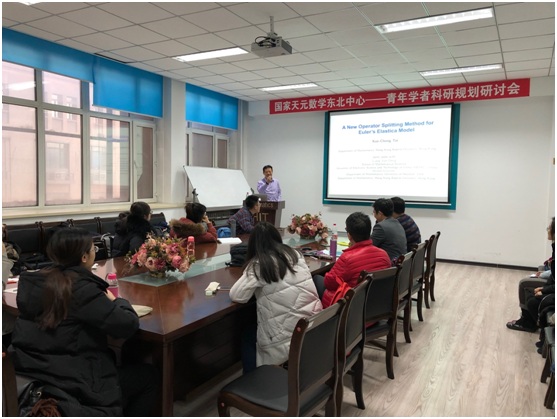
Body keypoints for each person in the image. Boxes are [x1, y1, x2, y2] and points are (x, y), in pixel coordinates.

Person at [8, 228, 158, 416]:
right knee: (149, 377)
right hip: (73, 384)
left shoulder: (34, 282)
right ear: (84, 257)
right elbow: (127, 325)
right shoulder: (82, 289)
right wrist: (117, 300)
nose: (95, 251)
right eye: (93, 248)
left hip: (30, 374)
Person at [229, 222, 322, 373]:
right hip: (314, 326)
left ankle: (254, 379)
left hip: (286, 339)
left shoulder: (259, 264)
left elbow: (237, 295)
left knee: (248, 334)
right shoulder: (295, 255)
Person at [313, 212, 391, 308]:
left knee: (316, 279)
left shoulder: (347, 257)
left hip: (354, 308)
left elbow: (329, 283)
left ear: (349, 235)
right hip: (378, 305)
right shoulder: (384, 254)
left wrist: (327, 274)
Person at [507, 217, 555, 333]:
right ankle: (528, 319)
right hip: (550, 282)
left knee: (524, 284)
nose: (547, 230)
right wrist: (544, 274)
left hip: (551, 285)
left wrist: (544, 289)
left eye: (549, 228)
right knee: (528, 286)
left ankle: (528, 322)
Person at [371, 198, 407, 264]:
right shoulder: (396, 222)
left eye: (374, 212)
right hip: (400, 264)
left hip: (390, 265)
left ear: (380, 213)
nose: (374, 215)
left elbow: (369, 245)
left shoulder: (381, 227)